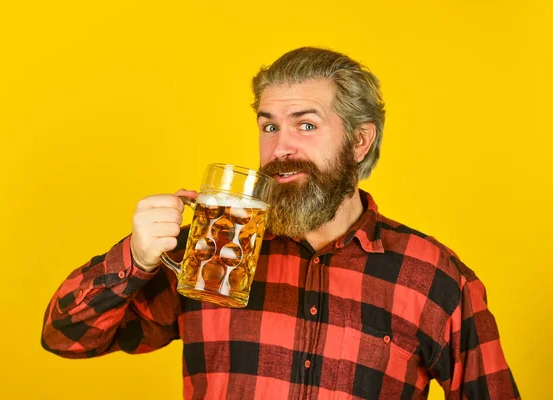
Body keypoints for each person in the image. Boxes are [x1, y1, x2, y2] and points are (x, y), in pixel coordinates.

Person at [41, 47, 520, 399]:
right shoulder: (214, 250)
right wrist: (137, 257)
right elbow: (66, 337)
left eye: (305, 125)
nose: (280, 148)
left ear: (359, 141)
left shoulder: (430, 276)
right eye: (270, 125)